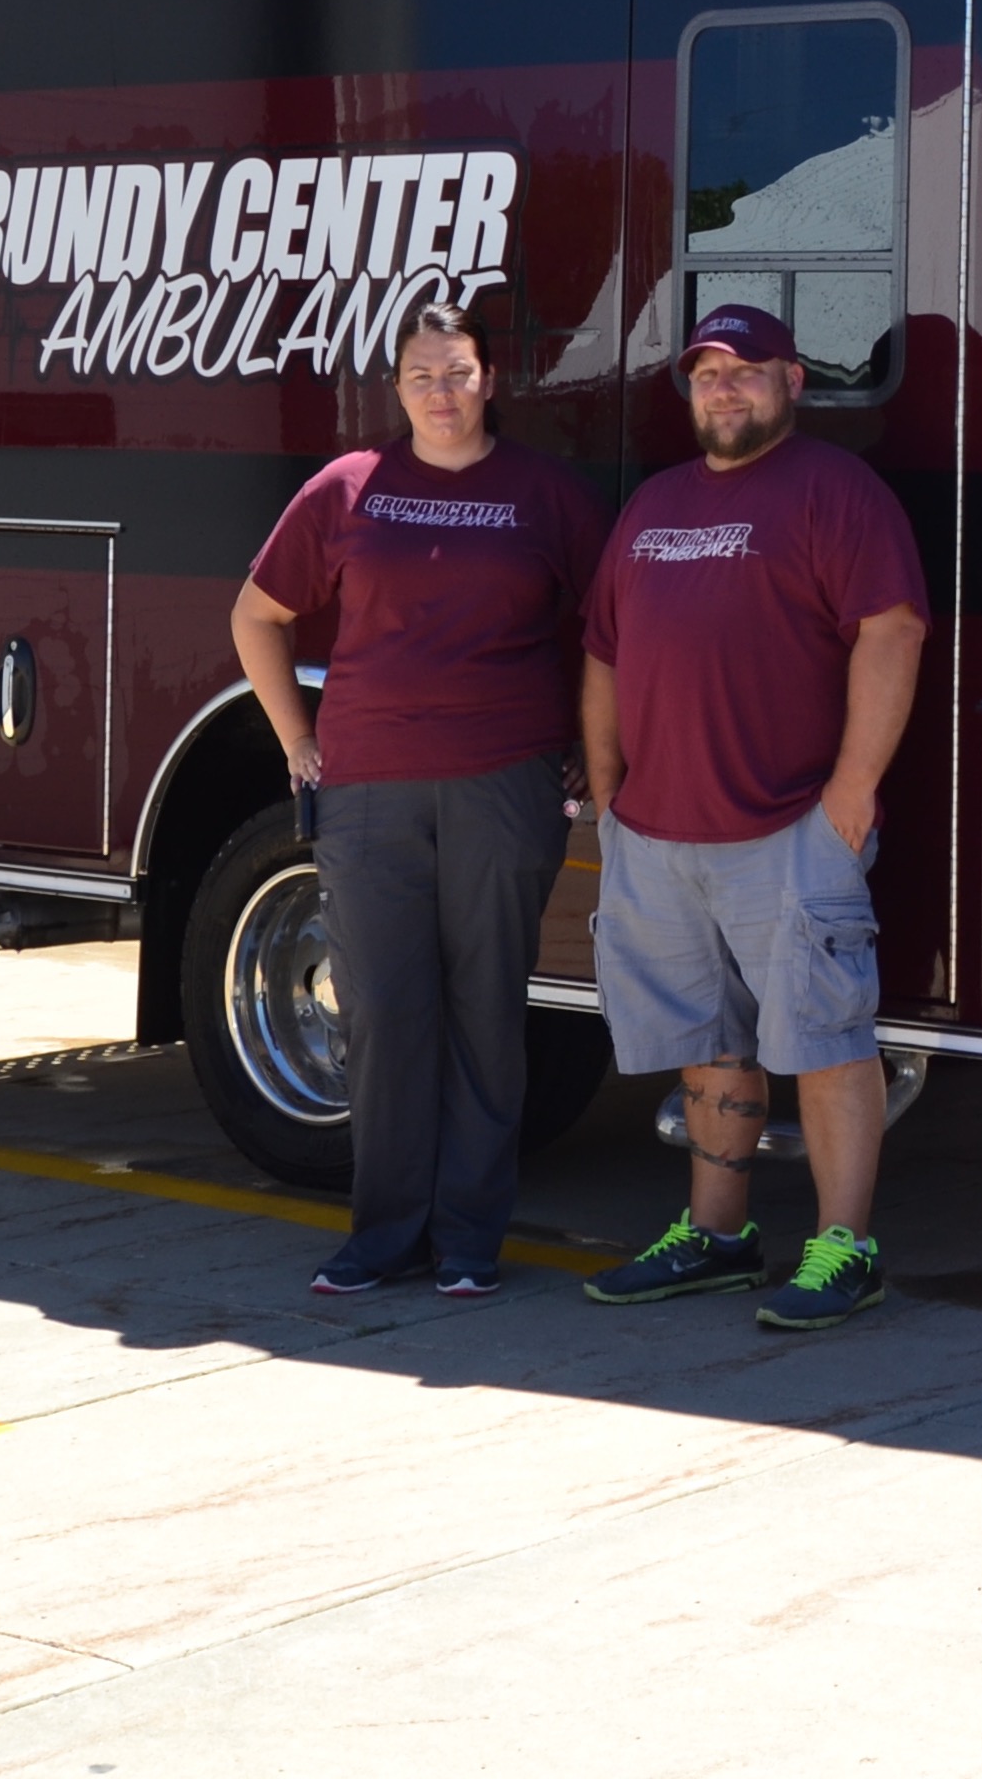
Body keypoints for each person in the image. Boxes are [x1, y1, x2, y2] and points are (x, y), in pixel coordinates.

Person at [231, 300, 610, 1300]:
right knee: (384, 1014)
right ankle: (384, 1237)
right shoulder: (348, 488)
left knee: (486, 1012)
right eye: (421, 376)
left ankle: (470, 1240)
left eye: (458, 372)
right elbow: (257, 615)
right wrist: (299, 741)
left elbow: (614, 630)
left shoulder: (548, 496)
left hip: (506, 785)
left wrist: (591, 744)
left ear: (491, 380)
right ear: (396, 389)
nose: (442, 393)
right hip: (367, 794)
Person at [578, 302, 930, 1330]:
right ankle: (718, 1237)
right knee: (710, 1041)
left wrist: (851, 793)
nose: (723, 388)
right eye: (706, 373)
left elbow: (893, 633)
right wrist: (608, 788)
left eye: (744, 370)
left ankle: (846, 1247)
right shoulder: (654, 504)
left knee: (825, 1037)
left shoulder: (835, 491)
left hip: (789, 828)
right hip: (658, 831)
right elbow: (603, 650)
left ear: (792, 382)